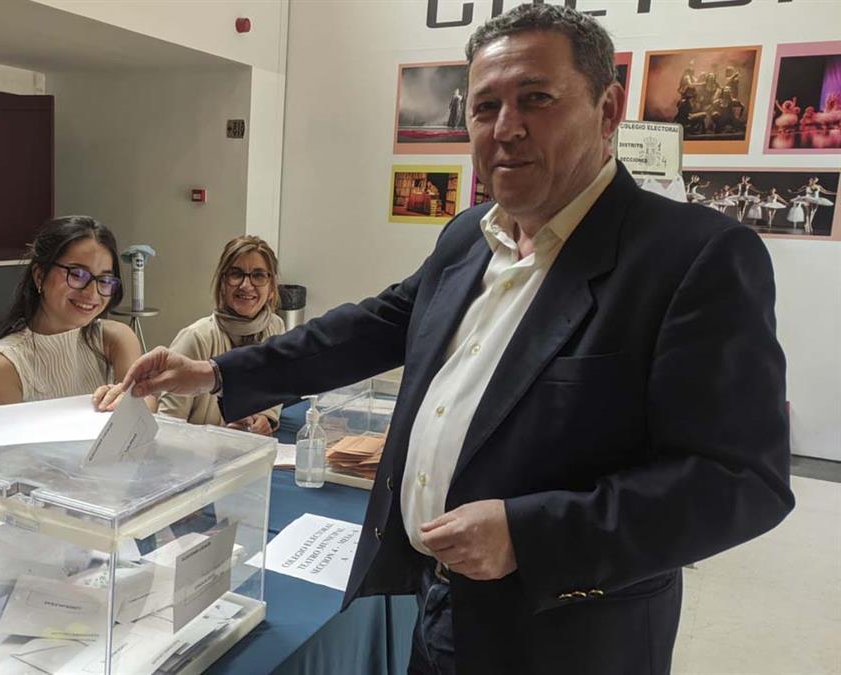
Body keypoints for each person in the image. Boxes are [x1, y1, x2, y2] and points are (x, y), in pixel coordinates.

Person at [101, 5, 794, 674]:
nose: (506, 128)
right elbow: (370, 328)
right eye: (485, 107)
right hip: (437, 605)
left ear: (608, 111)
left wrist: (531, 533)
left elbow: (741, 480)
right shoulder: (471, 235)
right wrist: (215, 375)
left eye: (537, 99)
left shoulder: (691, 258)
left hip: (568, 636)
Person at [0, 215, 144, 406]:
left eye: (104, 280)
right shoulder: (1, 365)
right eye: (77, 274)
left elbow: (146, 405)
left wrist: (132, 404)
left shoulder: (116, 338)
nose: (91, 293)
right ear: (39, 276)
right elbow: (10, 436)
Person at [158, 236, 285, 434]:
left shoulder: (275, 327)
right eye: (236, 274)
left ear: (271, 287)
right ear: (222, 283)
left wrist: (264, 417)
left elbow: (276, 388)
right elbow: (167, 426)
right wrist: (221, 436)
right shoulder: (196, 338)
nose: (246, 285)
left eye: (258, 275)